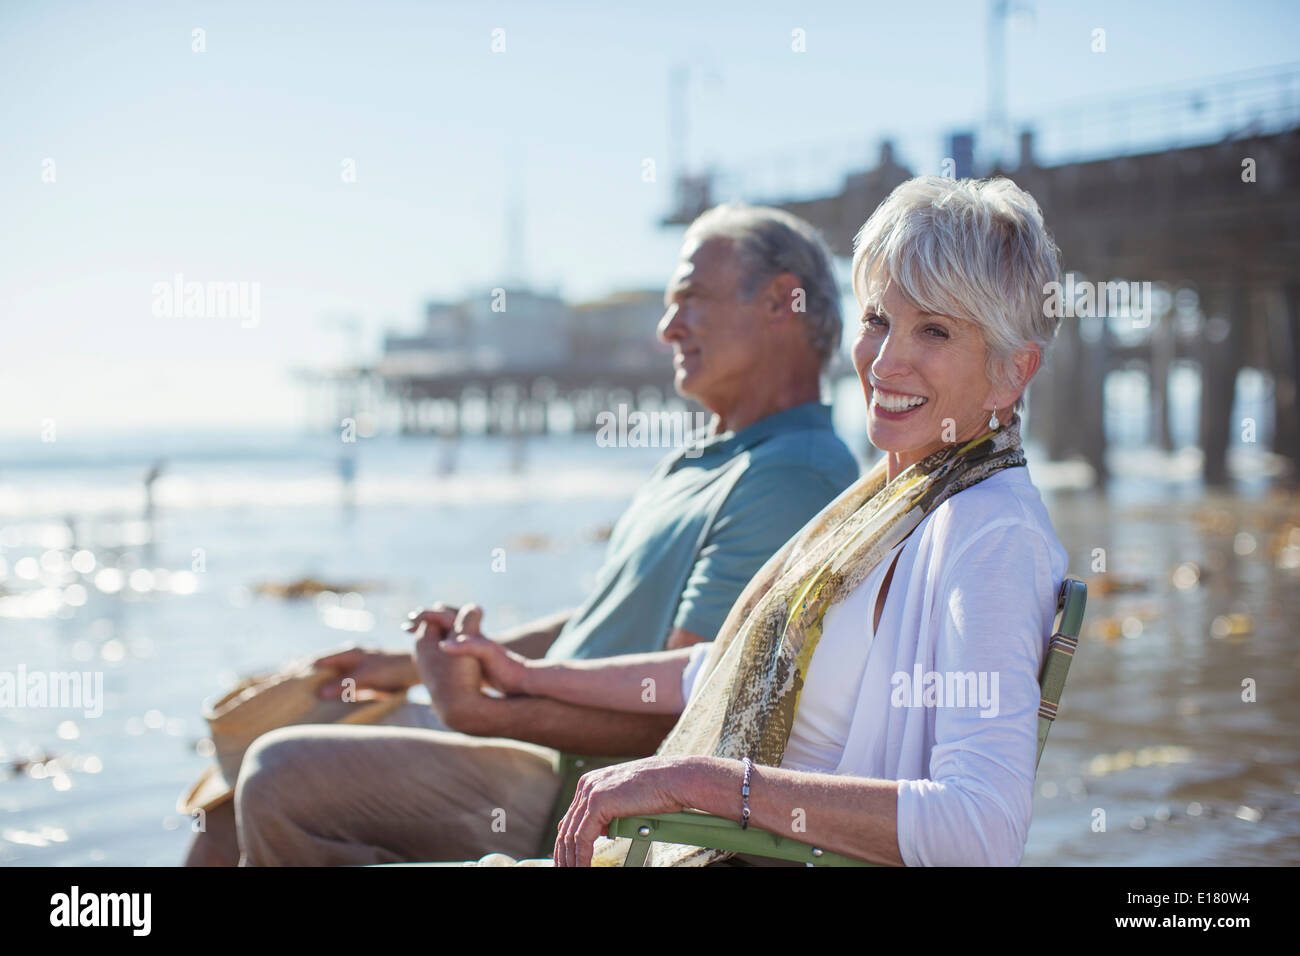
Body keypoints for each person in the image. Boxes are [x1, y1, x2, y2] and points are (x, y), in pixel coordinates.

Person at [433, 175, 1071, 867]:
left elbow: (980, 829)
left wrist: (705, 784)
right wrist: (527, 675)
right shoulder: (899, 503)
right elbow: (726, 667)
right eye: (878, 320)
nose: (884, 361)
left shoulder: (989, 533)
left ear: (1013, 373)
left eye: (935, 330)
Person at [196, 203, 860, 866]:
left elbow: (691, 710)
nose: (666, 329)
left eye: (689, 298)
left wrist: (487, 712)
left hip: (587, 783)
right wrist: (418, 667)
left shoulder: (791, 474)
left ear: (780, 303)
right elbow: (602, 624)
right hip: (538, 741)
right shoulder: (707, 459)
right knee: (238, 782)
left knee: (281, 775)